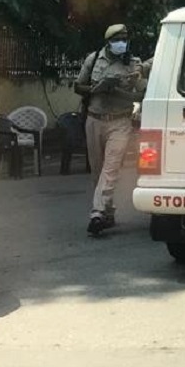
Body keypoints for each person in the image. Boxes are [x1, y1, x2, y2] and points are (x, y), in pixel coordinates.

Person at [75, 23, 148, 236]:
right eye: (117, 39)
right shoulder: (94, 59)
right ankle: (108, 211)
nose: (121, 43)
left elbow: (142, 95)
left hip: (120, 122)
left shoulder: (135, 65)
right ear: (109, 42)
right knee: (97, 171)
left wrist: (118, 92)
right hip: (94, 119)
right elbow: (78, 86)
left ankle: (97, 212)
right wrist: (97, 89)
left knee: (111, 168)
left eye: (124, 39)